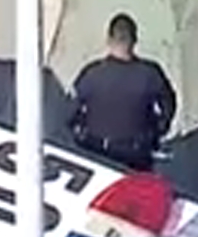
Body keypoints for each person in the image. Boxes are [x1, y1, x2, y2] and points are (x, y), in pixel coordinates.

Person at [68, 12, 177, 171]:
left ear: (109, 40)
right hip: (136, 155)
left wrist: (82, 126)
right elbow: (169, 105)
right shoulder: (150, 74)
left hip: (96, 152)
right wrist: (156, 131)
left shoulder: (91, 74)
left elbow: (70, 114)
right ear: (134, 41)